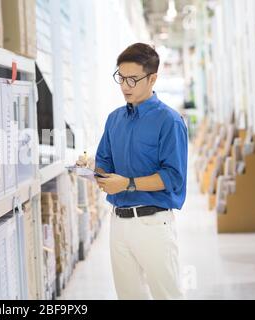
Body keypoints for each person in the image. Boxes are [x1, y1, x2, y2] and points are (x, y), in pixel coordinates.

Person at [76, 43, 188, 300]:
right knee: (128, 296)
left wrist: (127, 184)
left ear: (152, 79)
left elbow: (173, 177)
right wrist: (91, 167)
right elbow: (106, 163)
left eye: (133, 79)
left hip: (153, 224)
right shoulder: (115, 119)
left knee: (167, 295)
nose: (125, 86)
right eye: (121, 78)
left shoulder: (169, 121)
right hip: (119, 224)